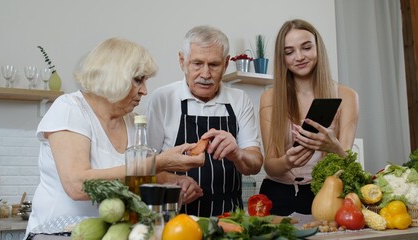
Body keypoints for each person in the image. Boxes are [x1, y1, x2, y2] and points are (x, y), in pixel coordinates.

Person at [26, 38, 205, 234]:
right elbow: (78, 185)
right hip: (58, 233)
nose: (145, 91)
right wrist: (159, 162)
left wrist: (173, 180)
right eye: (138, 80)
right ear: (114, 77)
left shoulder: (131, 121)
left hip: (113, 234)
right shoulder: (70, 109)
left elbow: (136, 173)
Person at [146, 25, 263, 217]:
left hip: (230, 219)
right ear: (182, 61)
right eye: (197, 64)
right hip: (175, 219)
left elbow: (256, 163)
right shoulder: (163, 98)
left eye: (214, 65)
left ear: (226, 64)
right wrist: (171, 180)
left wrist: (237, 153)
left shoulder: (239, 100)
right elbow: (144, 166)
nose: (206, 74)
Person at [259, 19, 359, 216]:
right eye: (289, 52)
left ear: (318, 48)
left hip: (325, 195)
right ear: (282, 58)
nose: (299, 57)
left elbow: (348, 164)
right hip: (276, 196)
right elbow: (270, 166)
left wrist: (334, 147)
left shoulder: (347, 96)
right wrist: (287, 162)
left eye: (306, 47)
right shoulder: (270, 98)